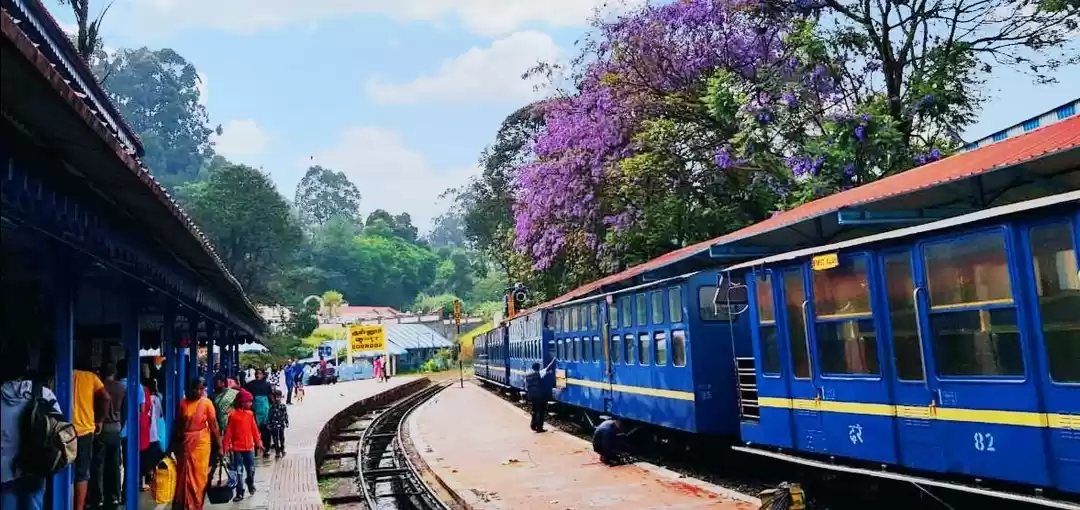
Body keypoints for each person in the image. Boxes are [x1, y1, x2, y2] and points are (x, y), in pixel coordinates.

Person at [1, 347, 61, 510]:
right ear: (27, 367)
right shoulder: (43, 393)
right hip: (35, 467)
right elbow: (59, 429)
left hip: (4, 472)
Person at [171, 378, 222, 510]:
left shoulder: (207, 404)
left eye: (201, 389)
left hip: (201, 444)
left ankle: (197, 505)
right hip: (185, 444)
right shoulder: (183, 404)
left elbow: (214, 426)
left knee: (200, 477)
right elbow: (178, 426)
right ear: (190, 389)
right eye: (196, 389)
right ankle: (184, 504)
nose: (198, 392)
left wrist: (220, 446)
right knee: (184, 475)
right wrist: (174, 446)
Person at [72, 359, 110, 510]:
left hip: (64, 432)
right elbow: (106, 397)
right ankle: (78, 508)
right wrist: (100, 420)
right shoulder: (91, 377)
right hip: (85, 431)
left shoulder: (63, 374)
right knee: (82, 472)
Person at [90, 363, 124, 509]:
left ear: (102, 373)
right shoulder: (121, 388)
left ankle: (99, 497)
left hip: (101, 430)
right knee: (114, 464)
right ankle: (115, 496)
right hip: (116, 428)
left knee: (98, 465)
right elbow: (125, 410)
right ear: (114, 373)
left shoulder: (99, 387)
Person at [222, 389, 261, 501]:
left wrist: (259, 443)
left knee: (251, 470)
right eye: (249, 401)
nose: (251, 403)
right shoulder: (233, 416)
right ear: (242, 402)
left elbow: (254, 430)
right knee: (239, 471)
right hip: (237, 449)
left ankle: (250, 483)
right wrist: (225, 447)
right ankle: (239, 492)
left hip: (249, 447)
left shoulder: (250, 414)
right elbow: (228, 433)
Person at [243, 369, 272, 459]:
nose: (258, 375)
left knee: (265, 431)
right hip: (254, 411)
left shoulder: (267, 385)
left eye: (260, 373)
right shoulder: (250, 385)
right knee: (254, 430)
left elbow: (271, 397)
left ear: (263, 375)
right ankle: (255, 448)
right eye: (257, 373)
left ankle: (266, 448)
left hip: (265, 411)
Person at [525, 358, 556, 433]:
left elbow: (526, 386)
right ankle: (539, 427)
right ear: (538, 368)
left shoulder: (528, 375)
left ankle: (533, 425)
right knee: (540, 412)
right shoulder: (539, 373)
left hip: (531, 396)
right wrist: (553, 360)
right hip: (539, 396)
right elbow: (547, 368)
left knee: (534, 411)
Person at [266, 390, 289, 458]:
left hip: (281, 424)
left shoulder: (283, 406)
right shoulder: (272, 407)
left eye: (279, 397)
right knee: (275, 438)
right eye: (276, 397)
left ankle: (282, 448)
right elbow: (269, 416)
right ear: (274, 397)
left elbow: (285, 414)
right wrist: (268, 424)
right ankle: (277, 451)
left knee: (282, 437)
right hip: (274, 425)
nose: (277, 399)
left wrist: (286, 422)